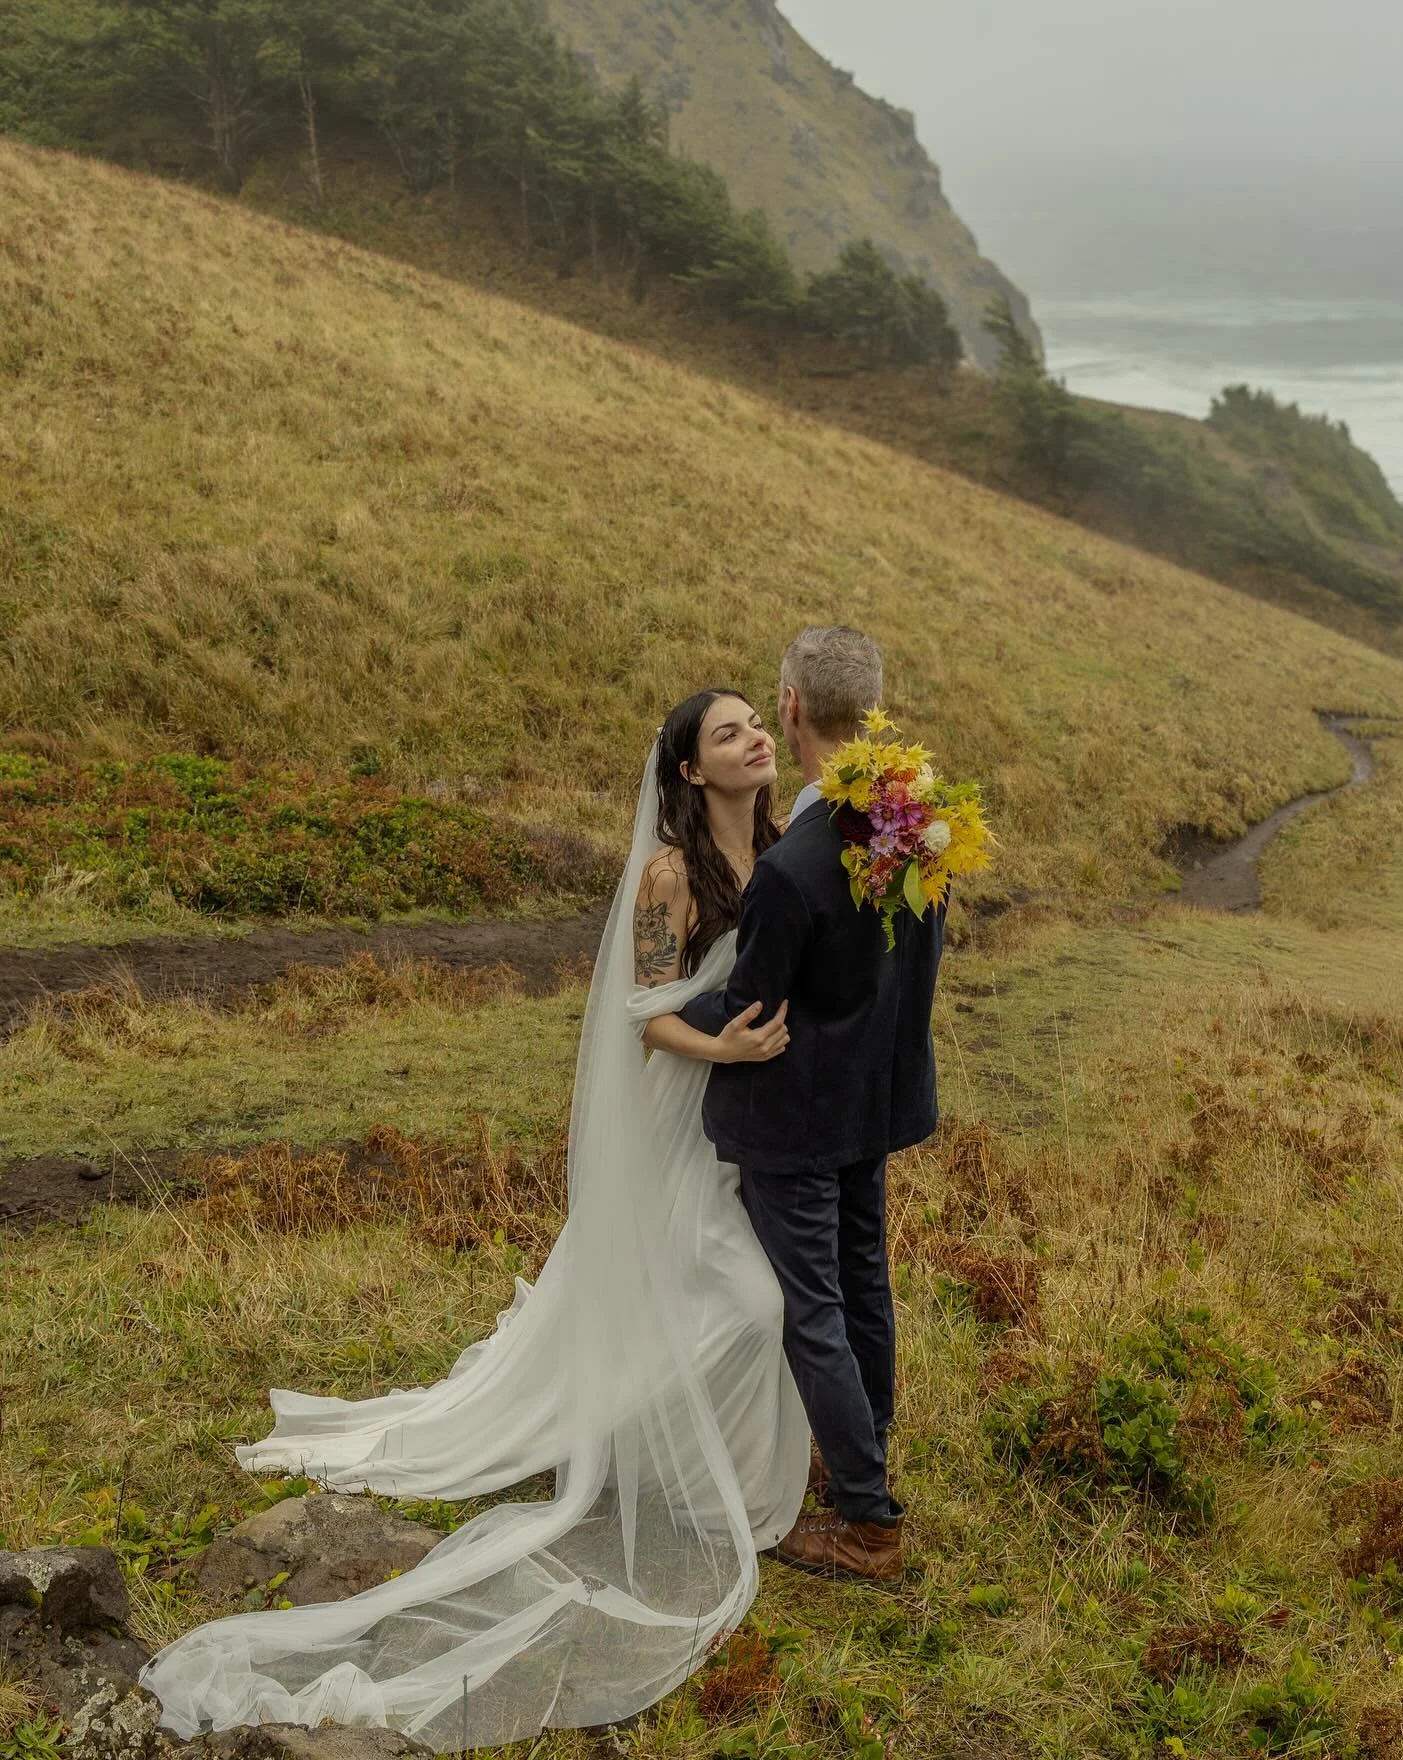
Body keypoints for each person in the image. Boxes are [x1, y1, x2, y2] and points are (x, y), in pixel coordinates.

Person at [141, 687, 810, 1752]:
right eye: (725, 733)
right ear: (689, 771)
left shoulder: (781, 843)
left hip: (748, 1127)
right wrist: (722, 1049)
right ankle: (640, 1449)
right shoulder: (669, 876)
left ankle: (694, 1456)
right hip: (681, 1116)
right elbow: (642, 1017)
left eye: (754, 724)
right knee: (741, 1297)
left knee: (740, 1293)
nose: (752, 740)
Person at [678, 626, 946, 1584]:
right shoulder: (912, 817)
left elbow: (752, 996)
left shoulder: (794, 865)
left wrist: (663, 1014)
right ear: (872, 707)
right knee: (862, 1279)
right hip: (874, 1098)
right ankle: (859, 1452)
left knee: (813, 1307)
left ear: (790, 706)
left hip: (800, 1113)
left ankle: (867, 1523)